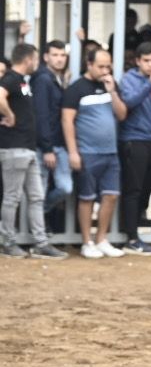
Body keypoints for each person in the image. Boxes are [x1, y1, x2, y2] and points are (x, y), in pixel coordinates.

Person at [0, 43, 66, 259]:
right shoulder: (10, 78)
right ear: (28, 59)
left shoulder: (21, 81)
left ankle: (40, 242)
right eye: (35, 59)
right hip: (14, 147)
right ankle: (8, 242)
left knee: (36, 196)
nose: (36, 63)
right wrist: (9, 115)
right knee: (12, 197)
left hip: (26, 147)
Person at [62, 48, 129, 258]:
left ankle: (101, 239)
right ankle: (86, 241)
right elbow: (67, 121)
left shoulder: (110, 85)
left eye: (108, 66)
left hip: (110, 152)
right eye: (100, 66)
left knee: (111, 196)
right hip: (88, 152)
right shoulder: (76, 89)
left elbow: (122, 115)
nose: (105, 70)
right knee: (87, 198)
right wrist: (73, 152)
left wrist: (112, 92)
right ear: (88, 64)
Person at [115, 42, 151, 256]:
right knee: (133, 190)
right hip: (134, 139)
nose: (150, 65)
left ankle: (133, 233)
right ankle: (130, 237)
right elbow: (129, 102)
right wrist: (150, 83)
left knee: (146, 190)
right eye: (146, 61)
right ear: (138, 61)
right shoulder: (129, 79)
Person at [33, 40, 72, 220]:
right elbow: (42, 115)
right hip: (45, 146)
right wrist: (47, 148)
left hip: (58, 144)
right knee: (38, 192)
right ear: (46, 57)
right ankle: (37, 232)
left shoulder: (55, 79)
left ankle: (41, 216)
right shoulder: (42, 79)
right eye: (55, 55)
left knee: (65, 187)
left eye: (62, 55)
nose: (59, 59)